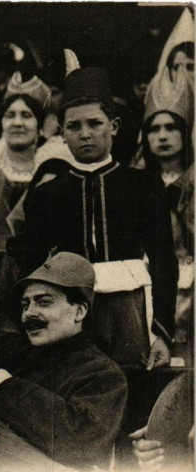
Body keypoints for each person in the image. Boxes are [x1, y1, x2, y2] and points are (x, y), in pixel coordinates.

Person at [10, 66, 178, 368]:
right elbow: (31, 269)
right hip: (70, 315)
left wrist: (163, 333)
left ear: (113, 126)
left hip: (131, 310)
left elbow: (164, 260)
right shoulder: (48, 195)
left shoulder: (142, 185)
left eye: (94, 123)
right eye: (73, 126)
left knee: (133, 387)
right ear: (61, 133)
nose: (85, 134)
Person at [0, 252, 128, 470]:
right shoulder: (12, 349)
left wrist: (6, 388)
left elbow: (82, 442)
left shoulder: (103, 375)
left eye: (44, 302)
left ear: (79, 311)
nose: (29, 314)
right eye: (25, 305)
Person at [0, 73, 50, 324]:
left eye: (26, 116)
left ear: (39, 124)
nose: (17, 123)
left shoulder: (50, 165)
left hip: (39, 270)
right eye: (10, 115)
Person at [141, 69, 194, 357]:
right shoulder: (137, 181)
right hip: (149, 284)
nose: (163, 136)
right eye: (154, 129)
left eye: (171, 127)